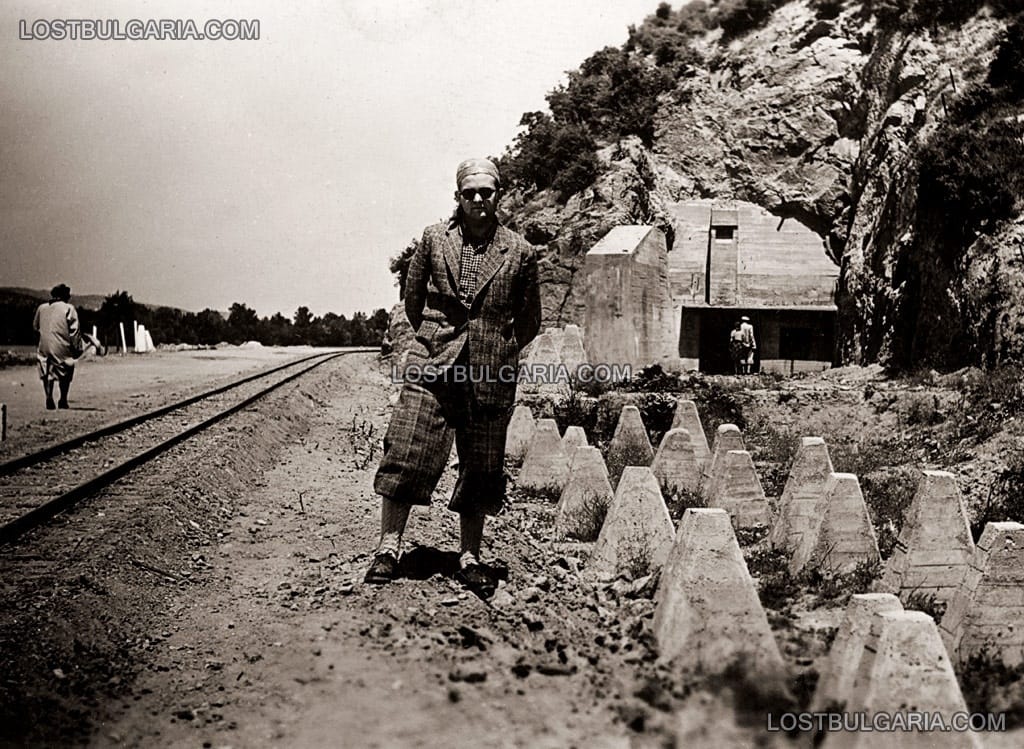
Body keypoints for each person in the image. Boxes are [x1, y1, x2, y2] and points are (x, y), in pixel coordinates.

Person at [366, 158, 542, 598]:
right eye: (470, 193)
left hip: (490, 373)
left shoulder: (519, 252)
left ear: (498, 195)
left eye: (487, 192)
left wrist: (495, 349)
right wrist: (435, 339)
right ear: (457, 197)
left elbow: (529, 321)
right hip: (433, 363)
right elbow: (413, 301)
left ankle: (470, 556)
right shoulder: (432, 240)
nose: (478, 200)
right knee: (406, 449)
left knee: (482, 467)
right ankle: (389, 547)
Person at [32, 284, 98, 409]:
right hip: (62, 345)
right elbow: (74, 331)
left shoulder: (42, 308)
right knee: (65, 370)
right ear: (65, 296)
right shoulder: (69, 308)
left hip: (44, 345)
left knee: (46, 371)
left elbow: (35, 327)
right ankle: (63, 399)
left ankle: (49, 397)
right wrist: (78, 348)